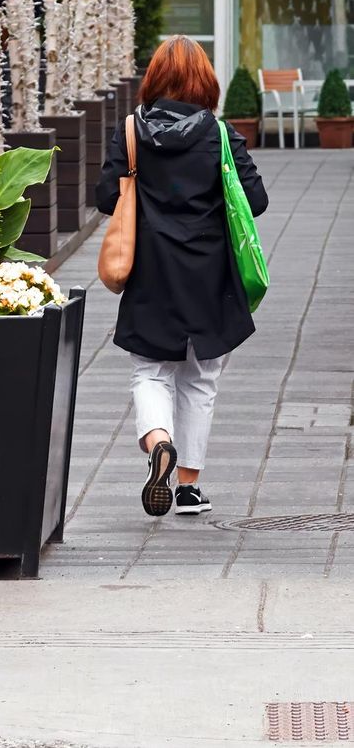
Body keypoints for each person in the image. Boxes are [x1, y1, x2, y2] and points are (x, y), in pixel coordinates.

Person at [96, 36, 268, 518]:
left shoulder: (131, 130)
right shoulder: (219, 134)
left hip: (151, 270)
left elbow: (106, 196)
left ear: (154, 79)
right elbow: (255, 201)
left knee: (150, 370)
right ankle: (189, 487)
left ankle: (158, 443)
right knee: (201, 377)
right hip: (210, 272)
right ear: (204, 79)